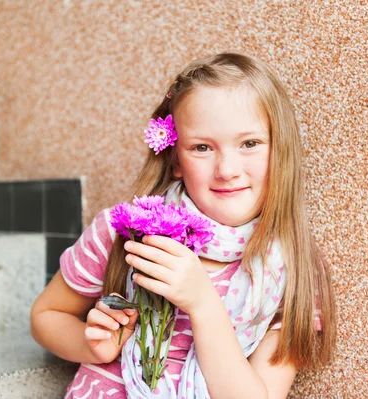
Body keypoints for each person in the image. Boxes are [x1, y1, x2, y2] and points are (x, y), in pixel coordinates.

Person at [30, 52, 336, 399]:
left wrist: (202, 302)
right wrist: (91, 347)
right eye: (202, 147)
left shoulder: (294, 272)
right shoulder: (126, 232)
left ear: (279, 151)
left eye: (249, 144)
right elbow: (46, 314)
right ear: (176, 159)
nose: (227, 169)